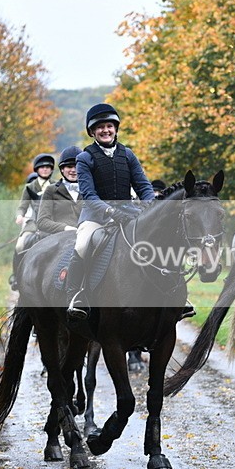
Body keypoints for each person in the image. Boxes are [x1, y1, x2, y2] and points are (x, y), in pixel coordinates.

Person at [65, 103, 155, 320]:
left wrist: (151, 204)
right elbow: (89, 194)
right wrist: (111, 212)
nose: (105, 130)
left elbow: (143, 185)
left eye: (109, 126)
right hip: (96, 216)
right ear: (92, 132)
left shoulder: (128, 154)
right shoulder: (85, 158)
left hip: (129, 212)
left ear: (115, 128)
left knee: (155, 236)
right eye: (100, 127)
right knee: (83, 243)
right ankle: (75, 294)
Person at [10, 154, 56, 290]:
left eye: (48, 167)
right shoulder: (30, 187)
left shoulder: (56, 185)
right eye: (42, 167)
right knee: (20, 245)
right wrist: (19, 216)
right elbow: (22, 206)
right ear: (37, 169)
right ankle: (17, 277)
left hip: (51, 222)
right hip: (33, 223)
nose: (45, 170)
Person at [37, 146, 83, 235]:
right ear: (62, 169)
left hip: (86, 237)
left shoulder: (90, 189)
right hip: (60, 237)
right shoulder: (51, 190)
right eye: (69, 167)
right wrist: (65, 228)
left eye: (77, 166)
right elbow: (42, 221)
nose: (73, 170)